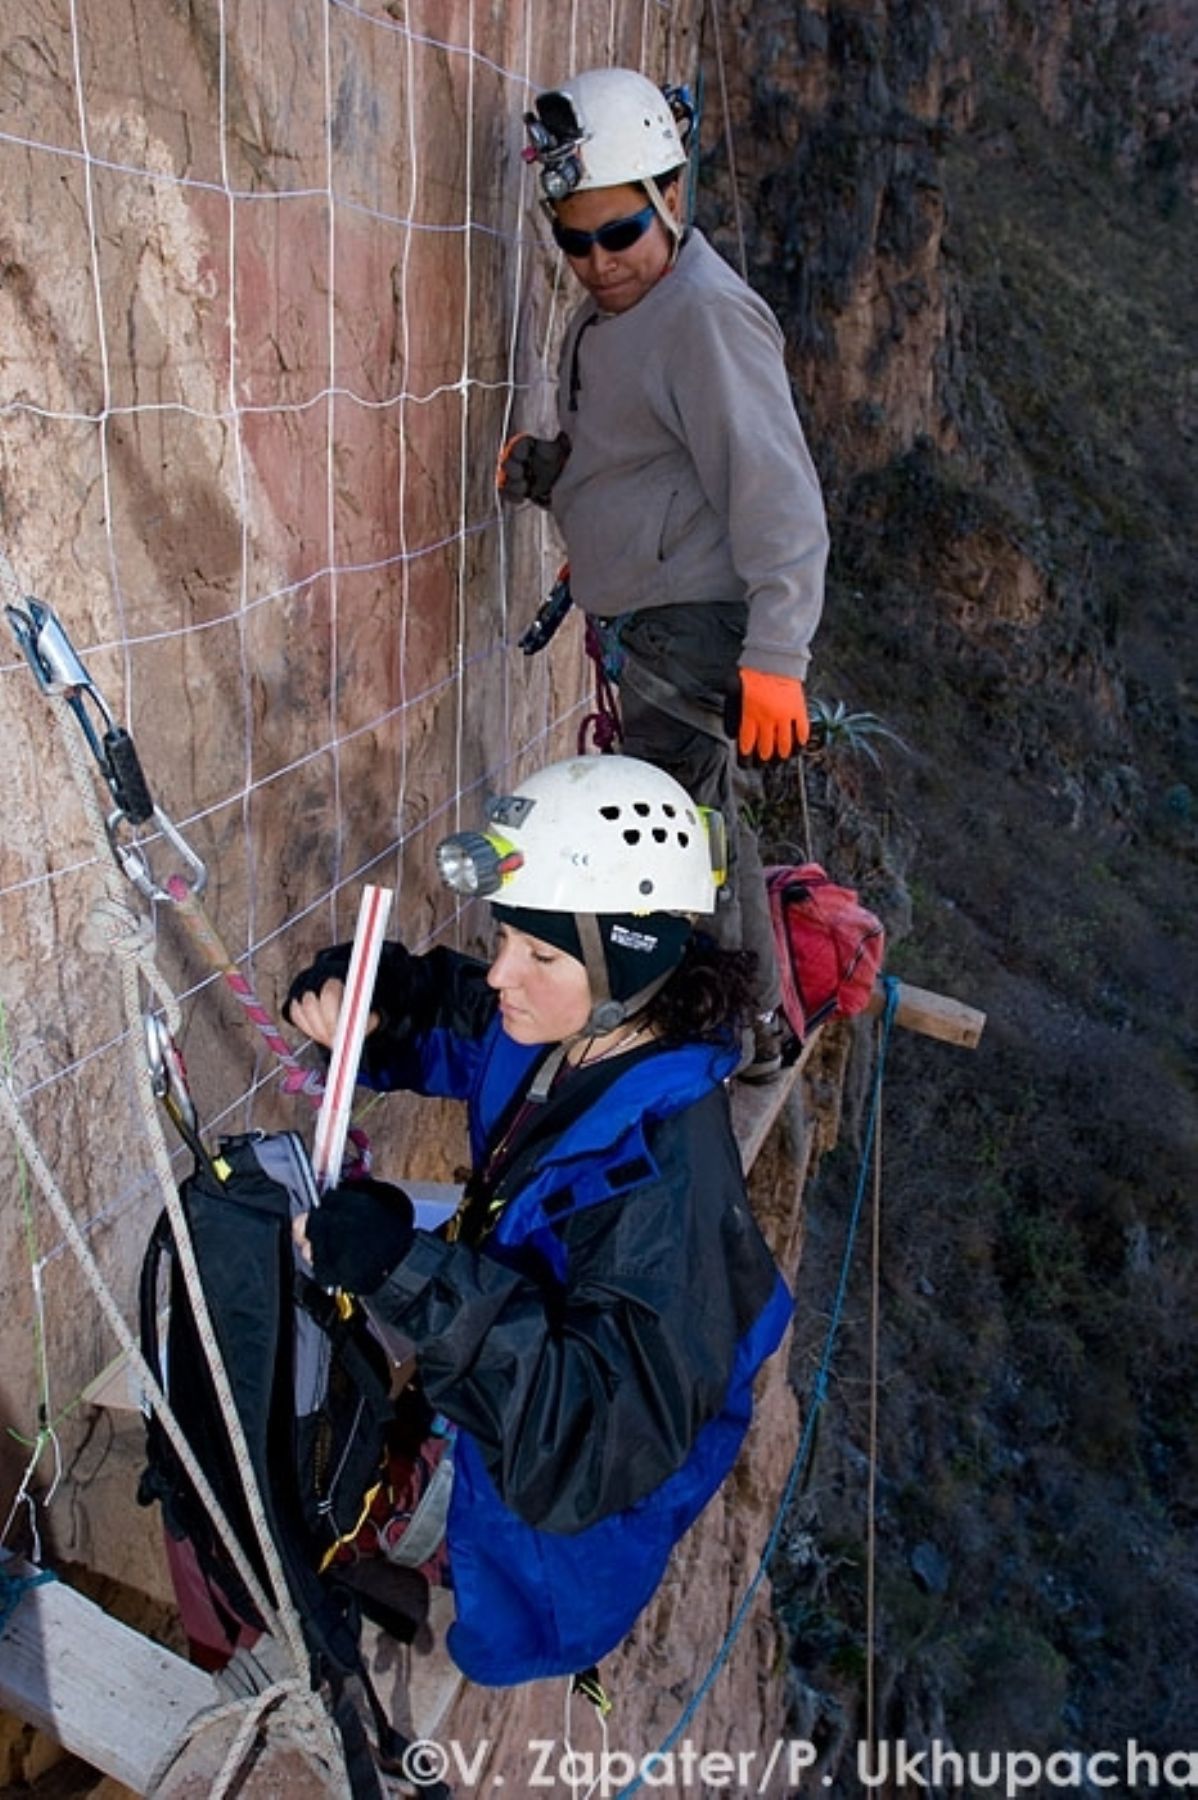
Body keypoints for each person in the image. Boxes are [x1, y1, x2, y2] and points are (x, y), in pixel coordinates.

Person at [284, 755, 792, 1687]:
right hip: (518, 1396)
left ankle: (430, 1568)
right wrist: (380, 1003)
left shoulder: (662, 1184)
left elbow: (582, 1442)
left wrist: (406, 1272)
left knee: (477, 1609)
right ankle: (406, 1516)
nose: (504, 972)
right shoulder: (590, 1030)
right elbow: (471, 1020)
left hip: (552, 1549)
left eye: (539, 954)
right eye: (508, 936)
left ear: (623, 958)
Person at [499, 67, 830, 1081]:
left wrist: (777, 654)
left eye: (619, 233)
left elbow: (776, 494)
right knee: (692, 821)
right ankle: (745, 1020)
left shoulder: (702, 315)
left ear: (671, 197)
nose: (598, 262)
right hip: (654, 617)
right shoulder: (619, 312)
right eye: (574, 238)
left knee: (662, 835)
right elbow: (643, 452)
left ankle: (704, 1031)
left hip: (695, 622)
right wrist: (557, 476)